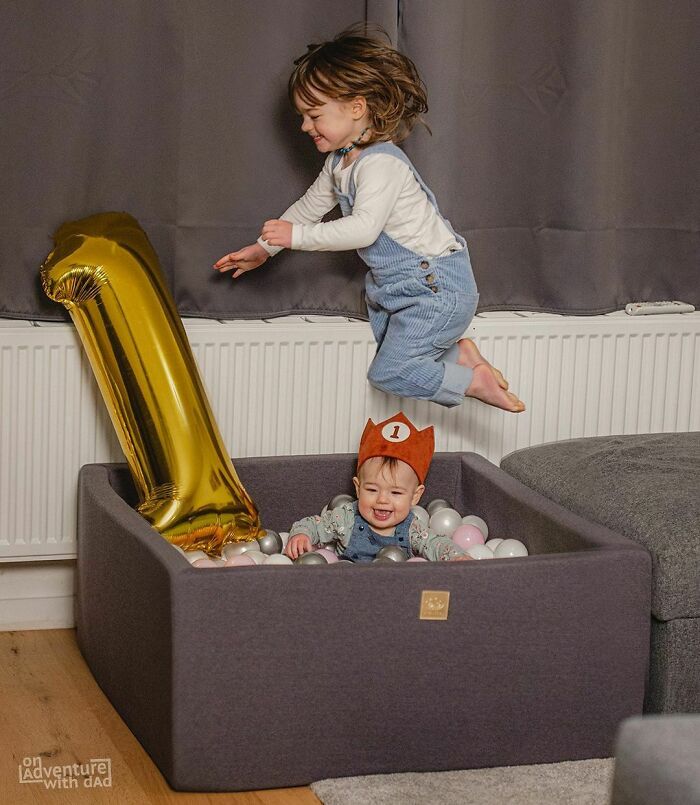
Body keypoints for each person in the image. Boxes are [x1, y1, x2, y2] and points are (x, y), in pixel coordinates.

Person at [213, 24, 524, 413]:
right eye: (303, 117)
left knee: (389, 373)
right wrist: (263, 249)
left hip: (435, 288)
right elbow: (310, 207)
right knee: (392, 351)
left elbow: (363, 228)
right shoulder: (341, 161)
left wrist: (296, 237)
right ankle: (459, 358)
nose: (305, 126)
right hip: (402, 290)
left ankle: (470, 379)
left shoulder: (381, 164)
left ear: (357, 108)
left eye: (313, 115)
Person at [284, 412, 472, 562]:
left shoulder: (412, 529)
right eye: (372, 490)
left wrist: (456, 556)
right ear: (357, 488)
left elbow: (436, 543)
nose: (382, 500)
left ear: (415, 496)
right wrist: (301, 535)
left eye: (396, 492)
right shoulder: (345, 518)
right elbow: (313, 524)